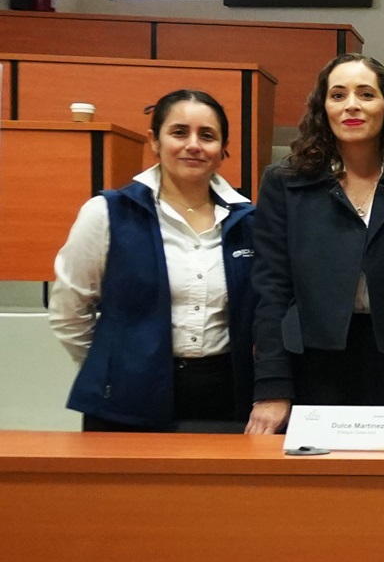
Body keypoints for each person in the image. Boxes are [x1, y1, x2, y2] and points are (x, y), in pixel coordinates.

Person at [51, 90, 256, 432]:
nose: (193, 144)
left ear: (222, 151)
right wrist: (111, 369)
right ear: (155, 142)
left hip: (226, 396)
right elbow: (69, 311)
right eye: (179, 132)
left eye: (207, 135)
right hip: (128, 397)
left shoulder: (248, 221)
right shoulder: (107, 212)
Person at [248, 55, 384, 433]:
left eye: (366, 94)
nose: (352, 105)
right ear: (323, 106)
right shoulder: (286, 181)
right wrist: (272, 388)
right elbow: (271, 289)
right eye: (338, 94)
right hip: (313, 361)